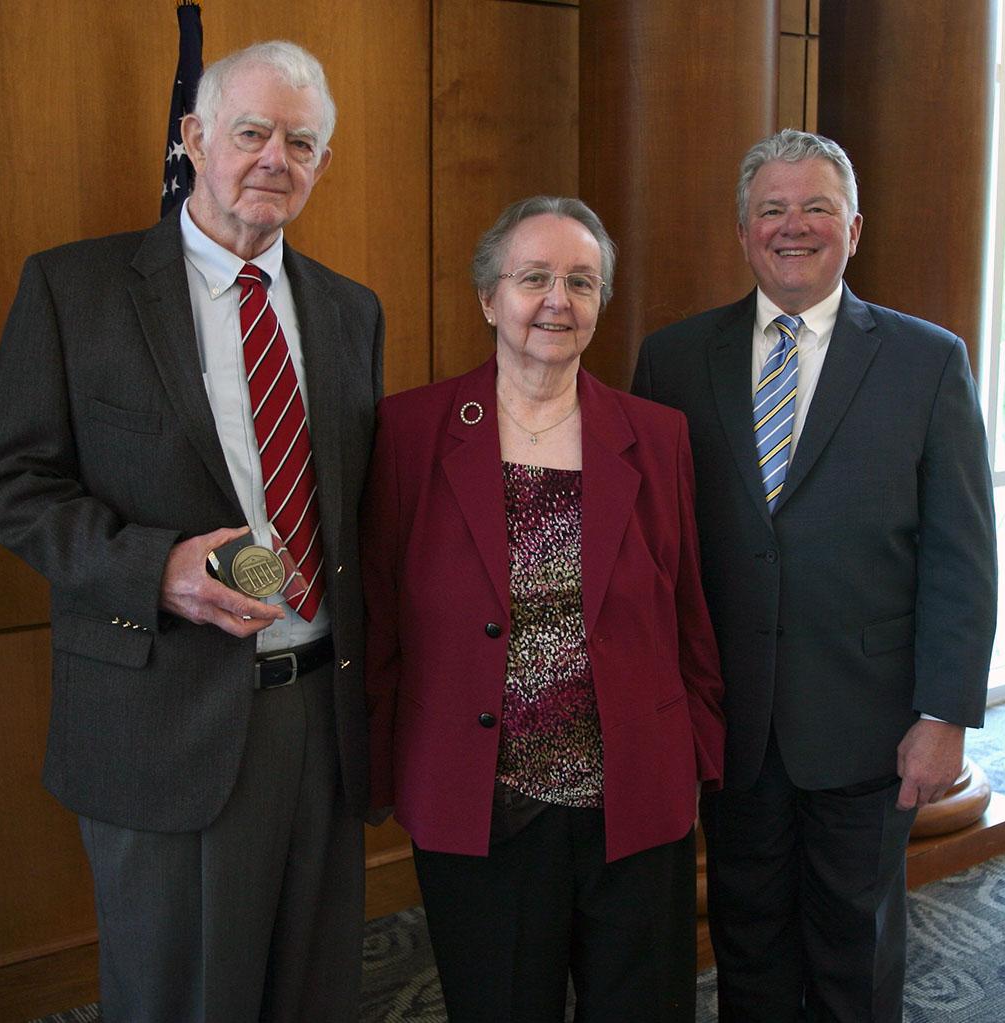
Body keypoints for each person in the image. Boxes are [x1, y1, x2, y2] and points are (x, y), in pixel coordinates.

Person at [0, 40, 383, 1022]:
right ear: (195, 138)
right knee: (179, 1004)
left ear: (323, 164)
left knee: (312, 994)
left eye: (302, 141)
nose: (275, 158)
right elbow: (14, 483)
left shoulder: (348, 311)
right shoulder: (76, 290)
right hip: (165, 714)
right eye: (251, 132)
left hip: (319, 720)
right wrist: (149, 569)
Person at [632, 129, 998, 1021]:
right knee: (748, 943)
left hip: (869, 725)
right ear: (743, 231)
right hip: (734, 725)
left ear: (855, 228)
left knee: (853, 949)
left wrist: (944, 714)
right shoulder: (674, 360)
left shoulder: (927, 359)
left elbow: (964, 553)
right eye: (772, 210)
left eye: (816, 208)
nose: (793, 226)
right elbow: (652, 553)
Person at [361, 195, 725, 1022]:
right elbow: (382, 612)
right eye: (534, 277)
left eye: (581, 281)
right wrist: (381, 762)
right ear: (490, 297)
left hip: (632, 796)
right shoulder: (412, 430)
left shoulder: (656, 433)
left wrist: (699, 751)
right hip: (480, 800)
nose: (557, 299)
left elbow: (689, 610)